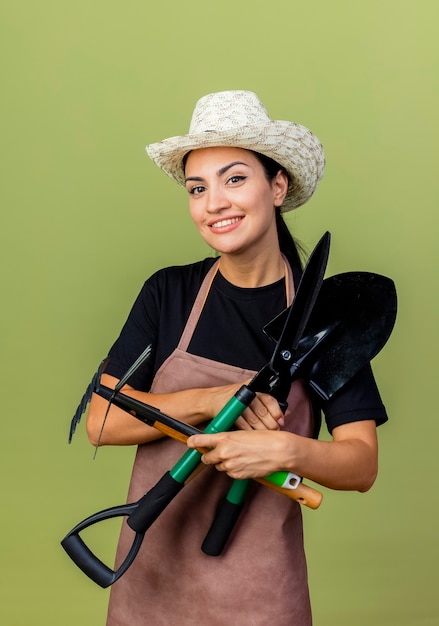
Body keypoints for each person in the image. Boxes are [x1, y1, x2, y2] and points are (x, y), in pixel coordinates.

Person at [86, 90, 388, 626]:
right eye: (197, 188)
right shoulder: (169, 294)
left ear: (277, 185)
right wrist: (206, 400)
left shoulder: (323, 318)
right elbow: (100, 420)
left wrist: (283, 451)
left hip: (261, 588)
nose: (214, 203)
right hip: (150, 573)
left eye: (234, 179)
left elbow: (361, 463)